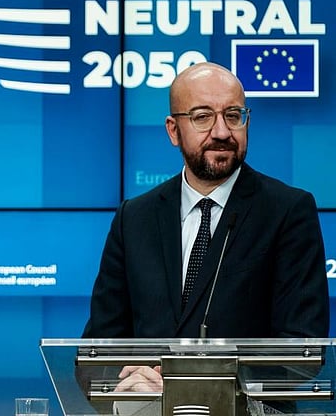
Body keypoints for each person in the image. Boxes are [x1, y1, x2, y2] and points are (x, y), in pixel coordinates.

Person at [81, 62, 329, 393]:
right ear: (173, 130)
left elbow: (302, 350)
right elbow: (97, 352)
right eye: (202, 117)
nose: (222, 132)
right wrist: (126, 386)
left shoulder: (288, 211)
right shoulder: (134, 218)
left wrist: (193, 387)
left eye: (233, 115)